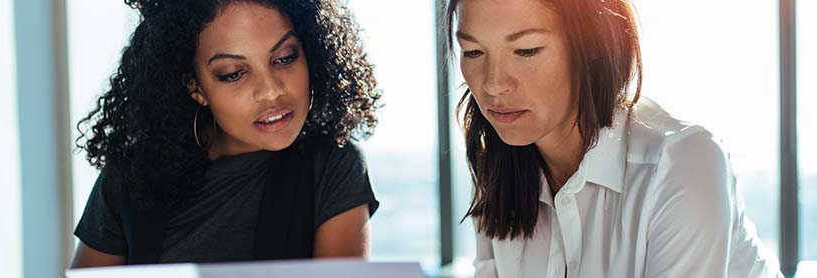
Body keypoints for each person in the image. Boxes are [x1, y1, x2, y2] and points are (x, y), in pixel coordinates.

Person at [446, 0, 780, 276]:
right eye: (473, 52)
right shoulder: (499, 167)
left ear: (593, 45)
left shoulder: (683, 162)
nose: (493, 84)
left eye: (526, 50)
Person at [70, 0, 381, 267]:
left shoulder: (333, 167)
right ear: (195, 87)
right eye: (233, 74)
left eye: (285, 58)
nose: (271, 91)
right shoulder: (131, 175)